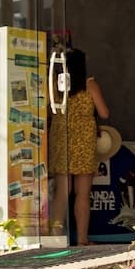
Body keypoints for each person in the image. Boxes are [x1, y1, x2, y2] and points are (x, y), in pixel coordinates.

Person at [48, 48, 109, 246]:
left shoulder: (56, 85)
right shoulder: (89, 84)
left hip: (61, 140)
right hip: (83, 142)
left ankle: (55, 237)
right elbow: (104, 112)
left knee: (62, 192)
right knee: (82, 194)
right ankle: (82, 239)